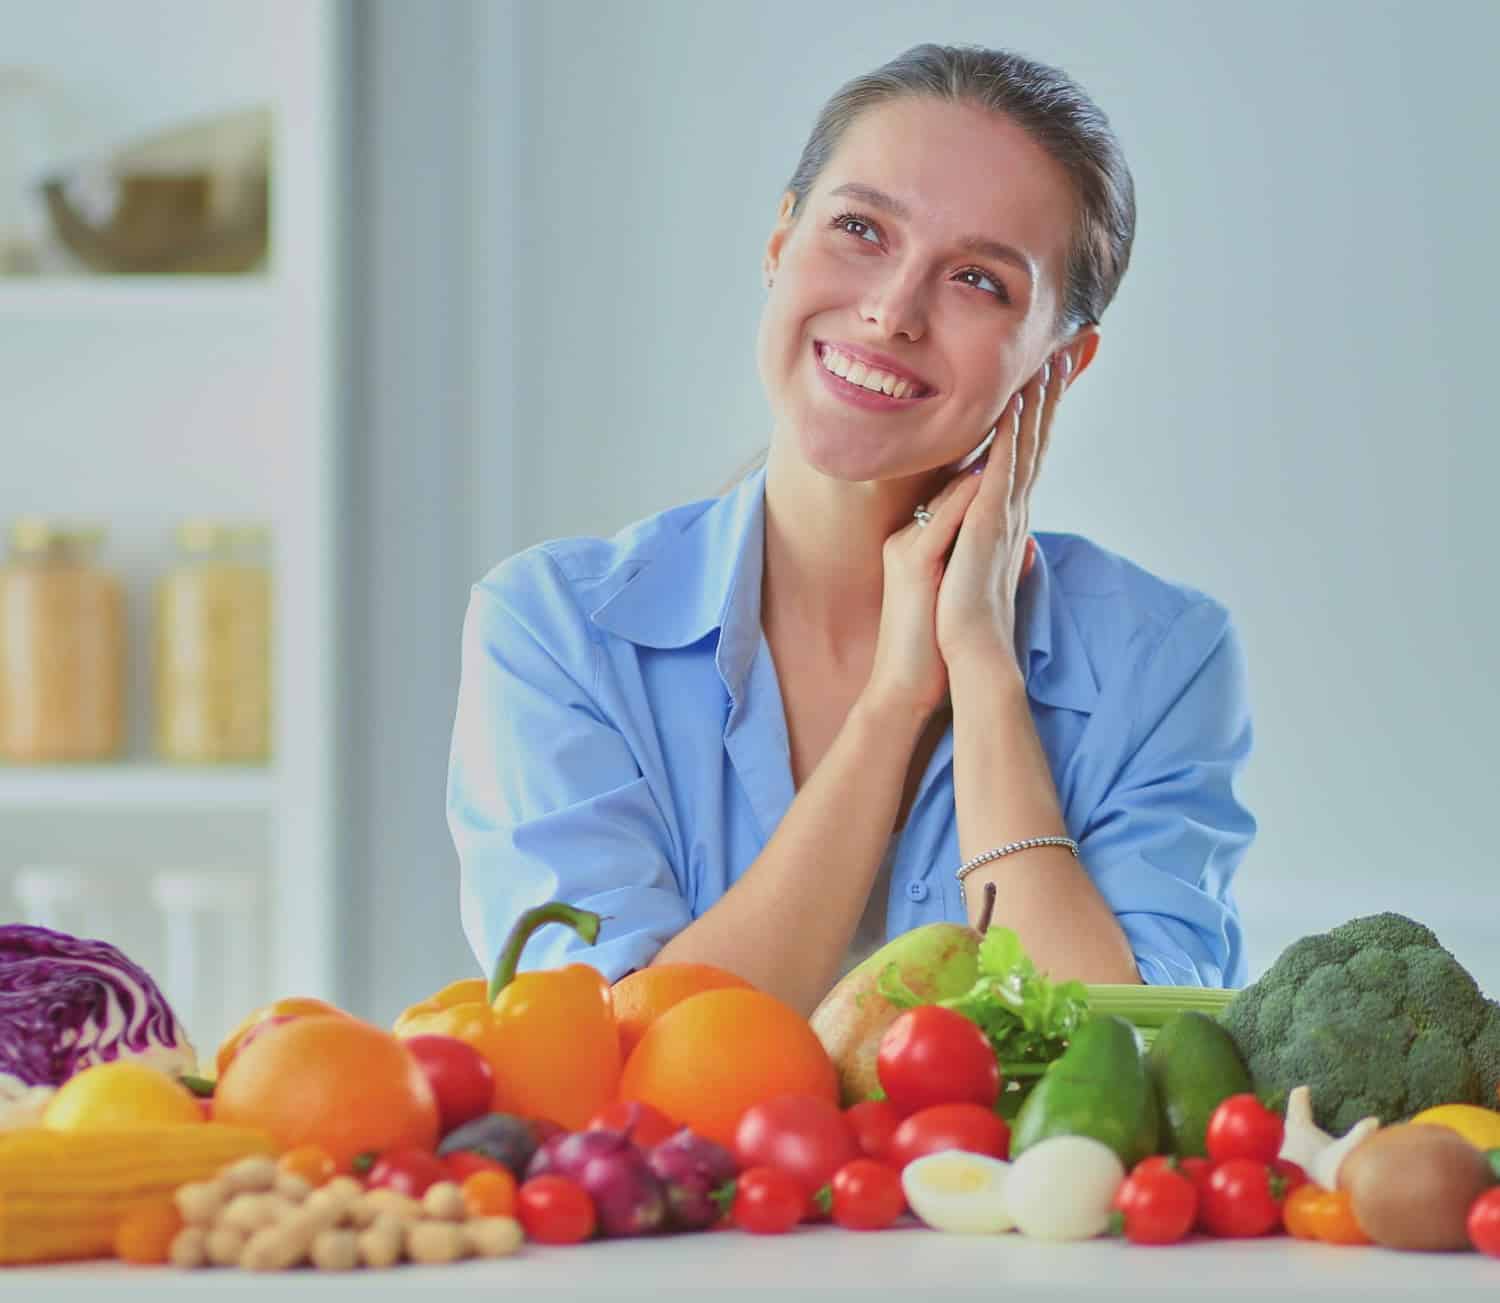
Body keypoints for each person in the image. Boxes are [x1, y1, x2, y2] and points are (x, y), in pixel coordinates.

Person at [448, 43, 1256, 1015]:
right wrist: (895, 703)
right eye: (861, 228)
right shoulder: (553, 629)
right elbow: (624, 1061)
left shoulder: (1161, 659)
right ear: (780, 240)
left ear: (1063, 363)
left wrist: (986, 673)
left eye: (980, 281)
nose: (890, 310)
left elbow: (1123, 1060)